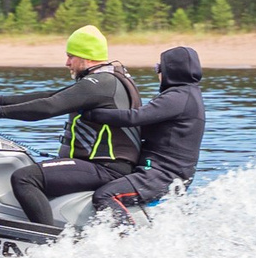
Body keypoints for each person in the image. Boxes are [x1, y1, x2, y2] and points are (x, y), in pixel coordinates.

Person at [0, 25, 143, 226]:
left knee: (25, 178)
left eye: (71, 57)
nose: (67, 63)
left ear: (87, 57)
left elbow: (49, 107)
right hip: (102, 164)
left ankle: (46, 241)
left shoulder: (101, 84)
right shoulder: (104, 79)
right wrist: (0, 100)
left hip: (106, 167)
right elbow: (51, 96)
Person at [77, 46, 205, 219]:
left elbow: (135, 117)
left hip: (162, 175)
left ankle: (127, 239)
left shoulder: (179, 96)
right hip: (163, 173)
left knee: (105, 195)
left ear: (171, 71)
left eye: (159, 68)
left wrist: (91, 113)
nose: (157, 72)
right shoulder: (187, 95)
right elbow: (143, 129)